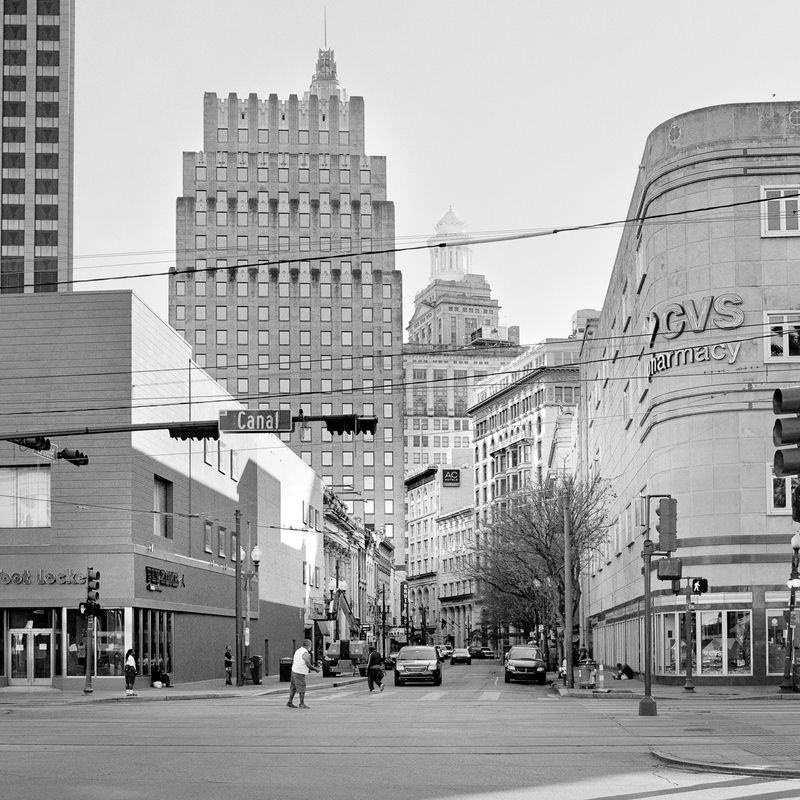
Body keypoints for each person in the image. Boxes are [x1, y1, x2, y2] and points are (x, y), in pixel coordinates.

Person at [287, 638, 318, 709]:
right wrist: (314, 669)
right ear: (308, 645)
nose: (311, 647)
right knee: (302, 688)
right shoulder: (305, 652)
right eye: (311, 645)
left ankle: (289, 702)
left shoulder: (298, 650)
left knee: (293, 687)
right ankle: (301, 704)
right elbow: (307, 662)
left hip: (294, 670)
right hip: (299, 672)